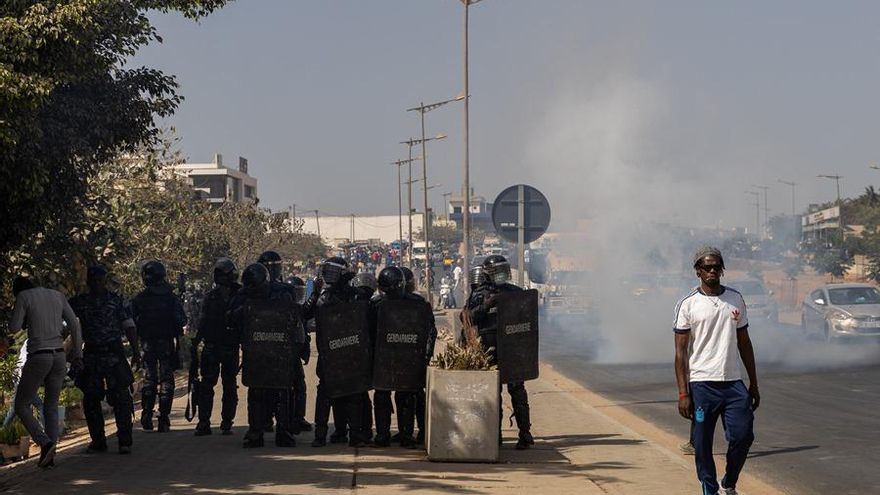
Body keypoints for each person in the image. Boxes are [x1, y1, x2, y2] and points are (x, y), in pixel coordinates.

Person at [674, 246, 759, 495]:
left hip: (733, 383)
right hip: (702, 386)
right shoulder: (687, 304)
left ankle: (729, 483)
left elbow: (744, 343)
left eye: (716, 266)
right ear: (698, 271)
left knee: (743, 437)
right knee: (701, 444)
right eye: (706, 266)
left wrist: (753, 383)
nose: (712, 270)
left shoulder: (735, 299)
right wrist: (683, 393)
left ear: (722, 269)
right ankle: (709, 488)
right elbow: (680, 353)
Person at [5, 275, 82, 467]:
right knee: (51, 406)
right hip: (59, 355)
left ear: (18, 291)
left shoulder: (24, 297)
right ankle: (50, 456)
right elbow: (74, 324)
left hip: (39, 355)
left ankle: (44, 442)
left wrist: (21, 317)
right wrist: (78, 353)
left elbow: (14, 328)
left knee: (21, 404)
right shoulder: (57, 295)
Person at [228, 262, 303, 448]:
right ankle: (255, 431)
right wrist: (241, 311)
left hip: (280, 352)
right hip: (256, 352)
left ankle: (283, 431)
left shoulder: (282, 293)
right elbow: (230, 319)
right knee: (256, 392)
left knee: (283, 392)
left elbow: (295, 318)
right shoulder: (243, 295)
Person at [69, 266, 139, 454]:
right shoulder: (81, 302)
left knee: (121, 398)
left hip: (111, 354)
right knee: (92, 399)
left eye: (99, 279)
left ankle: (124, 441)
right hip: (94, 354)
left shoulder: (115, 301)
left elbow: (129, 327)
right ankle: (99, 441)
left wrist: (136, 351)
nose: (97, 283)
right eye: (94, 279)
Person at [302, 257, 369, 448]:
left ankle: (327, 435)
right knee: (343, 394)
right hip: (339, 353)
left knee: (331, 394)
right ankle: (342, 435)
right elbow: (305, 315)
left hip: (339, 353)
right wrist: (315, 293)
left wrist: (315, 294)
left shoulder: (344, 296)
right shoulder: (336, 296)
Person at [469, 255, 534, 450]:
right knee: (492, 393)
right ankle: (494, 435)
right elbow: (469, 317)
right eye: (497, 271)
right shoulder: (480, 294)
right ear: (488, 274)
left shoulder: (515, 292)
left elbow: (527, 319)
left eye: (503, 270)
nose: (501, 275)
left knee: (518, 391)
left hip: (512, 347)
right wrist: (487, 305)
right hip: (489, 347)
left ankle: (525, 433)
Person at [371, 267, 436, 448]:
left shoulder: (418, 304)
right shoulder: (376, 305)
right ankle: (383, 434)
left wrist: (426, 354)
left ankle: (406, 434)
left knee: (405, 395)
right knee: (383, 394)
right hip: (384, 357)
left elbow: (430, 330)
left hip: (408, 356)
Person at [131, 260, 186, 433]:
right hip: (166, 343)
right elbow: (181, 320)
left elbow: (130, 322)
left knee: (149, 379)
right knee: (166, 380)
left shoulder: (140, 299)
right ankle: (163, 418)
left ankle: (147, 413)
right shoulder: (171, 298)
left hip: (147, 344)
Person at [193, 258, 241, 436]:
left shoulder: (240, 295)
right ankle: (204, 422)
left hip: (229, 345)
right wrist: (196, 342)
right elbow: (203, 321)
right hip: (213, 346)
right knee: (207, 385)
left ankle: (226, 421)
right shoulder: (211, 296)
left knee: (228, 385)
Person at [2, 340, 46, 429]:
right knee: (40, 405)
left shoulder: (27, 347)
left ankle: (3, 429)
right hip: (25, 382)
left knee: (15, 409)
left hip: (20, 381)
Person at [287, 275, 312, 433]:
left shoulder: (299, 310)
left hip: (294, 353)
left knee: (299, 386)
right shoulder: (281, 309)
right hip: (281, 353)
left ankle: (298, 417)